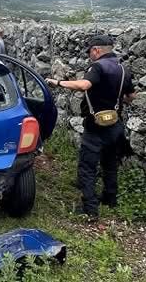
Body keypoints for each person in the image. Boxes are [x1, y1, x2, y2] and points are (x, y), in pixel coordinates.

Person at [46, 35, 135, 221]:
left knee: (87, 167)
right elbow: (130, 97)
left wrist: (58, 82)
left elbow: (83, 85)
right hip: (115, 125)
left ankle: (90, 209)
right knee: (110, 165)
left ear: (96, 50)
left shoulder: (97, 67)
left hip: (96, 127)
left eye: (90, 52)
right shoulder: (123, 69)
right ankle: (110, 200)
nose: (89, 55)